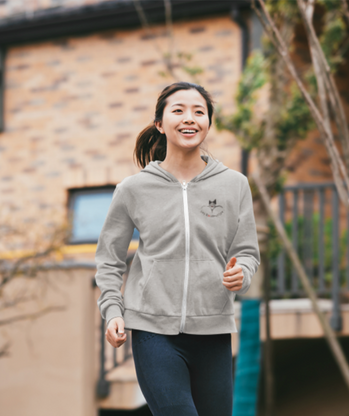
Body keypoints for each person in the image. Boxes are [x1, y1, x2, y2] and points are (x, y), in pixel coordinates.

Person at [94, 81, 261, 416]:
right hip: (153, 331)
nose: (190, 118)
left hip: (213, 330)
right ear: (160, 123)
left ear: (208, 123)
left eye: (199, 112)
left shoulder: (234, 184)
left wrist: (240, 274)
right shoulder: (134, 189)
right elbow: (109, 259)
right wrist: (112, 310)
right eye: (179, 110)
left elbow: (247, 251)